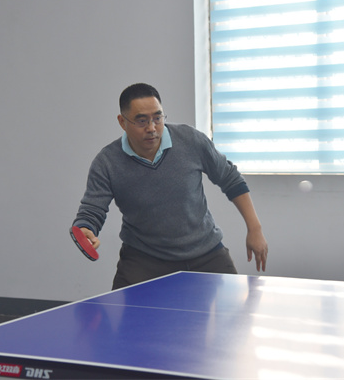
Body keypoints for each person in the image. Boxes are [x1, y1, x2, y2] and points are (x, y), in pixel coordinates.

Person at [72, 83, 268, 289]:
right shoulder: (107, 162)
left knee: (233, 308)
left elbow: (231, 179)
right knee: (125, 309)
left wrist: (255, 229)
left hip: (205, 253)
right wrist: (86, 228)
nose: (152, 128)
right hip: (144, 259)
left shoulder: (191, 140)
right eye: (142, 121)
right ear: (122, 122)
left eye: (158, 118)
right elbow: (93, 209)